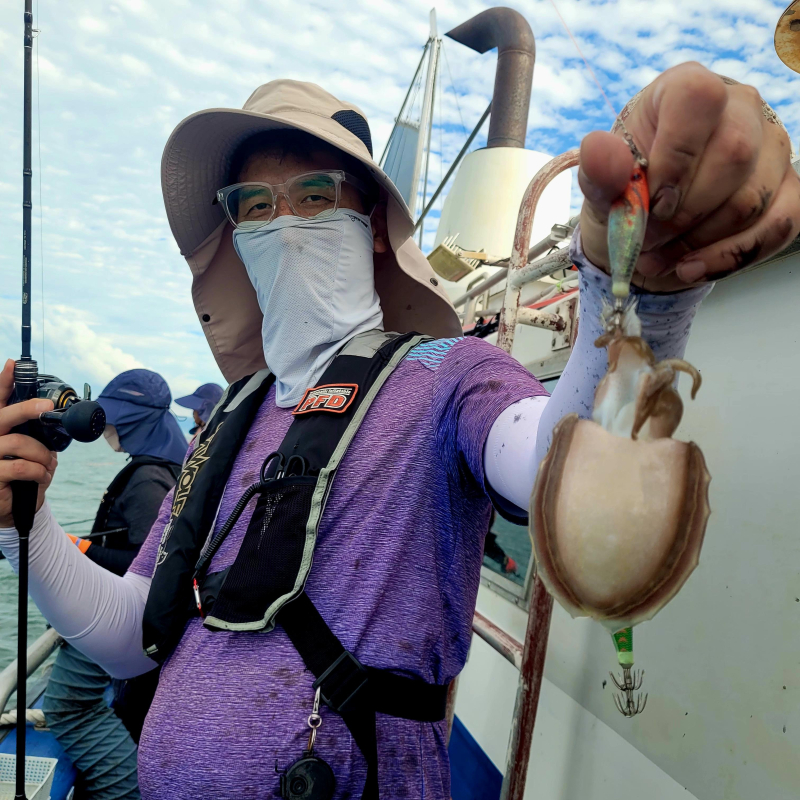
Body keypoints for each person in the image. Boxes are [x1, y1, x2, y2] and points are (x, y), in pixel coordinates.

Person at [0, 64, 796, 800]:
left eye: (315, 195)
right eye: (253, 206)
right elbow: (129, 636)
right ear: (234, 234)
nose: (283, 224)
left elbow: (565, 465)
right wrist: (22, 526)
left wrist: (638, 297)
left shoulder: (451, 375)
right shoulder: (226, 423)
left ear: (374, 224)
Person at [42, 370, 187, 800]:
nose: (105, 428)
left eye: (112, 419)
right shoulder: (173, 466)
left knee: (69, 705)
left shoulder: (146, 480)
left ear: (135, 420)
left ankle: (128, 791)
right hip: (143, 624)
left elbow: (147, 566)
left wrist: (75, 548)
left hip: (116, 616)